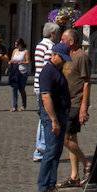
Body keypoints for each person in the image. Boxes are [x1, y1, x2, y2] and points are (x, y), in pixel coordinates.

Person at [37, 41, 72, 192]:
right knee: (51, 151)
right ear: (55, 55)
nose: (64, 61)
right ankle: (43, 188)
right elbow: (46, 96)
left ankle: (51, 185)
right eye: (62, 58)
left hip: (61, 114)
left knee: (56, 152)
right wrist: (54, 120)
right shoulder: (48, 71)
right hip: (52, 115)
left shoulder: (57, 70)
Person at [61, 30, 91, 186]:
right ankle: (74, 176)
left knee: (64, 138)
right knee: (71, 138)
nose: (61, 42)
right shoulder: (65, 56)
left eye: (63, 39)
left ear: (71, 41)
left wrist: (84, 107)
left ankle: (86, 163)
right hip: (65, 102)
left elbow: (87, 82)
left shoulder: (82, 57)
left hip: (76, 102)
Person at [31, 22, 58, 161]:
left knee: (43, 117)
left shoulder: (39, 45)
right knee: (45, 117)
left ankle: (41, 148)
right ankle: (41, 148)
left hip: (38, 84)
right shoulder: (50, 47)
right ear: (52, 33)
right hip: (45, 86)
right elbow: (49, 67)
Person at [8, 39, 30, 110]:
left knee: (21, 89)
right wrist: (10, 62)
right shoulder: (15, 51)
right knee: (14, 89)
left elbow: (28, 61)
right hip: (14, 71)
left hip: (22, 72)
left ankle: (24, 105)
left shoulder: (25, 51)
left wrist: (22, 62)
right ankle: (14, 106)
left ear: (20, 44)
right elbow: (11, 59)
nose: (15, 46)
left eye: (16, 44)